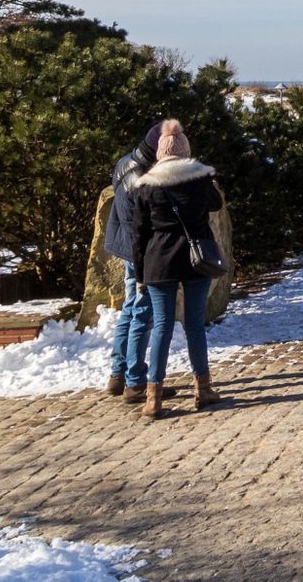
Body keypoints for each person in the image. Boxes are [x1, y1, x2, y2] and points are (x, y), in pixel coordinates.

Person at [127, 118, 226, 417]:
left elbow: (139, 235)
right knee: (195, 325)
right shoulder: (200, 181)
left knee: (162, 327)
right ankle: (202, 388)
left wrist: (141, 275)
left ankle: (153, 396)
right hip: (196, 260)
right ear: (185, 151)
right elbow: (216, 205)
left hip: (159, 262)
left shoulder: (146, 187)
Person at [104, 121, 162, 401]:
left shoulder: (124, 162)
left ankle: (118, 373)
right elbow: (140, 224)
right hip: (138, 252)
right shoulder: (143, 178)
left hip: (126, 247)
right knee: (142, 312)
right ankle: (135, 380)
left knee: (130, 310)